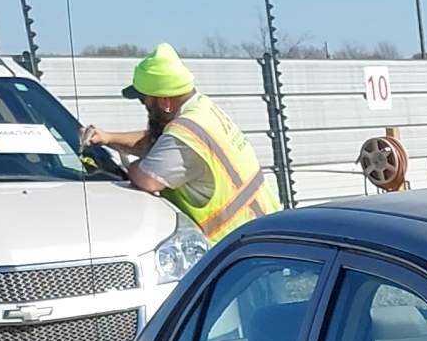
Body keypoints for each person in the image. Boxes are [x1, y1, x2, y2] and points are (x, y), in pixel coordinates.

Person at [82, 43, 279, 241]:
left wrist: (132, 166)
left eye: (145, 101)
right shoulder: (202, 111)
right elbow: (159, 143)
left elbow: (147, 179)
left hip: (239, 244)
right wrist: (108, 138)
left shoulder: (185, 136)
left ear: (166, 102)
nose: (145, 108)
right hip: (264, 232)